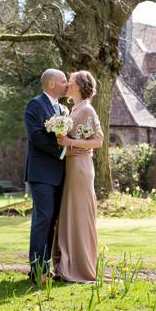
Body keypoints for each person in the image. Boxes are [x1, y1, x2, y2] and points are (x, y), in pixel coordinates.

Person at [52, 70, 103, 283]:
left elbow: (98, 141)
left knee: (79, 214)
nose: (67, 85)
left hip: (81, 168)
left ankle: (79, 267)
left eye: (70, 82)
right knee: (69, 213)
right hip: (71, 166)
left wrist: (70, 142)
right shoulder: (74, 110)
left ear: (80, 87)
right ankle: (67, 263)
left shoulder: (87, 110)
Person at [24, 68, 69, 283]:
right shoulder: (35, 105)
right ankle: (36, 271)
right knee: (42, 220)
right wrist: (61, 150)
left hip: (60, 174)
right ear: (51, 84)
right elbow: (36, 137)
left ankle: (46, 268)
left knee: (51, 221)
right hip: (41, 173)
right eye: (63, 81)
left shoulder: (62, 109)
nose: (67, 85)